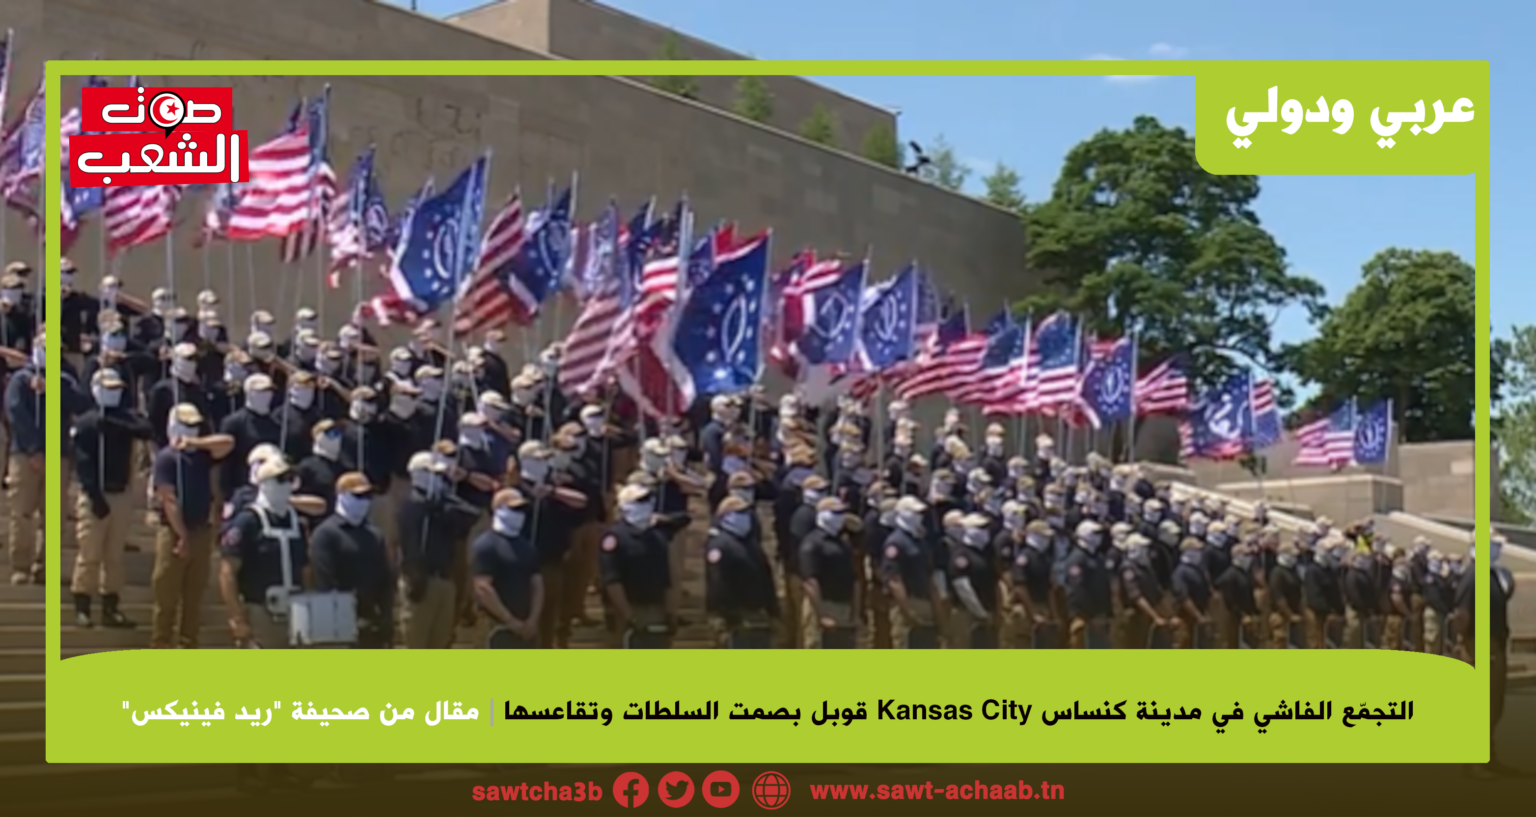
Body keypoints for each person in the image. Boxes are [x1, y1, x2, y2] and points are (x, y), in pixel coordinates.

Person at [71, 368, 154, 627]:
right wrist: (95, 497)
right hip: (95, 494)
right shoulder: (87, 423)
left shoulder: (126, 419)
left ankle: (111, 606)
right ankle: (83, 605)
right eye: (108, 389)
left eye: (116, 389)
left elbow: (146, 429)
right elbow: (83, 464)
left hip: (121, 493)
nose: (113, 393)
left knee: (114, 556)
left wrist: (115, 424)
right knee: (90, 553)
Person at [151, 404, 234, 648]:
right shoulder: (166, 458)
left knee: (194, 595)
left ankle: (188, 644)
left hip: (200, 529)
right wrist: (182, 534)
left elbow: (228, 443)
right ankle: (161, 643)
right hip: (173, 532)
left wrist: (194, 443)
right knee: (166, 593)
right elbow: (168, 498)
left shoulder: (202, 455)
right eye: (186, 426)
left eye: (195, 426)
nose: (191, 430)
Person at [218, 457, 309, 649]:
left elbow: (306, 569)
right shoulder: (248, 521)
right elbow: (227, 572)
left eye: (290, 479)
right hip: (259, 611)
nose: (287, 485)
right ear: (265, 483)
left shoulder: (297, 523)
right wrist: (237, 617)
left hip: (296, 611)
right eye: (281, 479)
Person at [397, 451, 481, 649]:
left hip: (444, 579)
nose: (439, 479)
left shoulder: (441, 504)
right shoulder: (411, 504)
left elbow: (472, 515)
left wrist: (446, 496)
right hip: (421, 581)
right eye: (435, 475)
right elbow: (412, 540)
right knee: (417, 643)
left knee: (440, 643)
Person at [309, 473, 394, 648]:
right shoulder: (326, 534)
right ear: (342, 496)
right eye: (358, 496)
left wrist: (386, 616)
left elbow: (385, 579)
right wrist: (342, 620)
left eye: (368, 496)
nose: (364, 501)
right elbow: (324, 582)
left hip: (372, 624)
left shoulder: (374, 534)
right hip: (340, 628)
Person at [599, 483, 676, 649]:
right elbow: (612, 580)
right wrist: (628, 615)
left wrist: (670, 612)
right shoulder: (614, 538)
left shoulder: (657, 537)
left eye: (648, 500)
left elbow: (666, 579)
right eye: (640, 501)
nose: (646, 505)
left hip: (655, 608)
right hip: (625, 609)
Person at [471, 488, 544, 649]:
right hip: (495, 627)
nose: (519, 514)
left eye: (522, 510)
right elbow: (483, 588)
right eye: (514, 509)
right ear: (499, 510)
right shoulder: (486, 545)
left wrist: (533, 619)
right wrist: (509, 620)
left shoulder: (527, 547)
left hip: (526, 627)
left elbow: (537, 585)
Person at [704, 495, 778, 648]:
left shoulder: (751, 544)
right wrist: (729, 616)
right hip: (733, 617)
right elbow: (718, 583)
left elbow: (766, 575)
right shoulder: (719, 545)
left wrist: (773, 609)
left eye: (746, 512)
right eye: (739, 513)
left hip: (756, 612)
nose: (745, 517)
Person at [4, 334, 47, 584]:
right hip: (23, 455)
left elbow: (79, 401)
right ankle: (20, 564)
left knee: (52, 516)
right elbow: (15, 412)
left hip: (58, 455)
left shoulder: (65, 377)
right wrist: (33, 449)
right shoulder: (20, 380)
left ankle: (45, 565)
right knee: (21, 512)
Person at [798, 497, 859, 649]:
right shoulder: (812, 543)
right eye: (836, 513)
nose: (840, 517)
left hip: (843, 606)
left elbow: (853, 577)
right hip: (822, 604)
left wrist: (855, 610)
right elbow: (810, 581)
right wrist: (821, 614)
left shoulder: (843, 543)